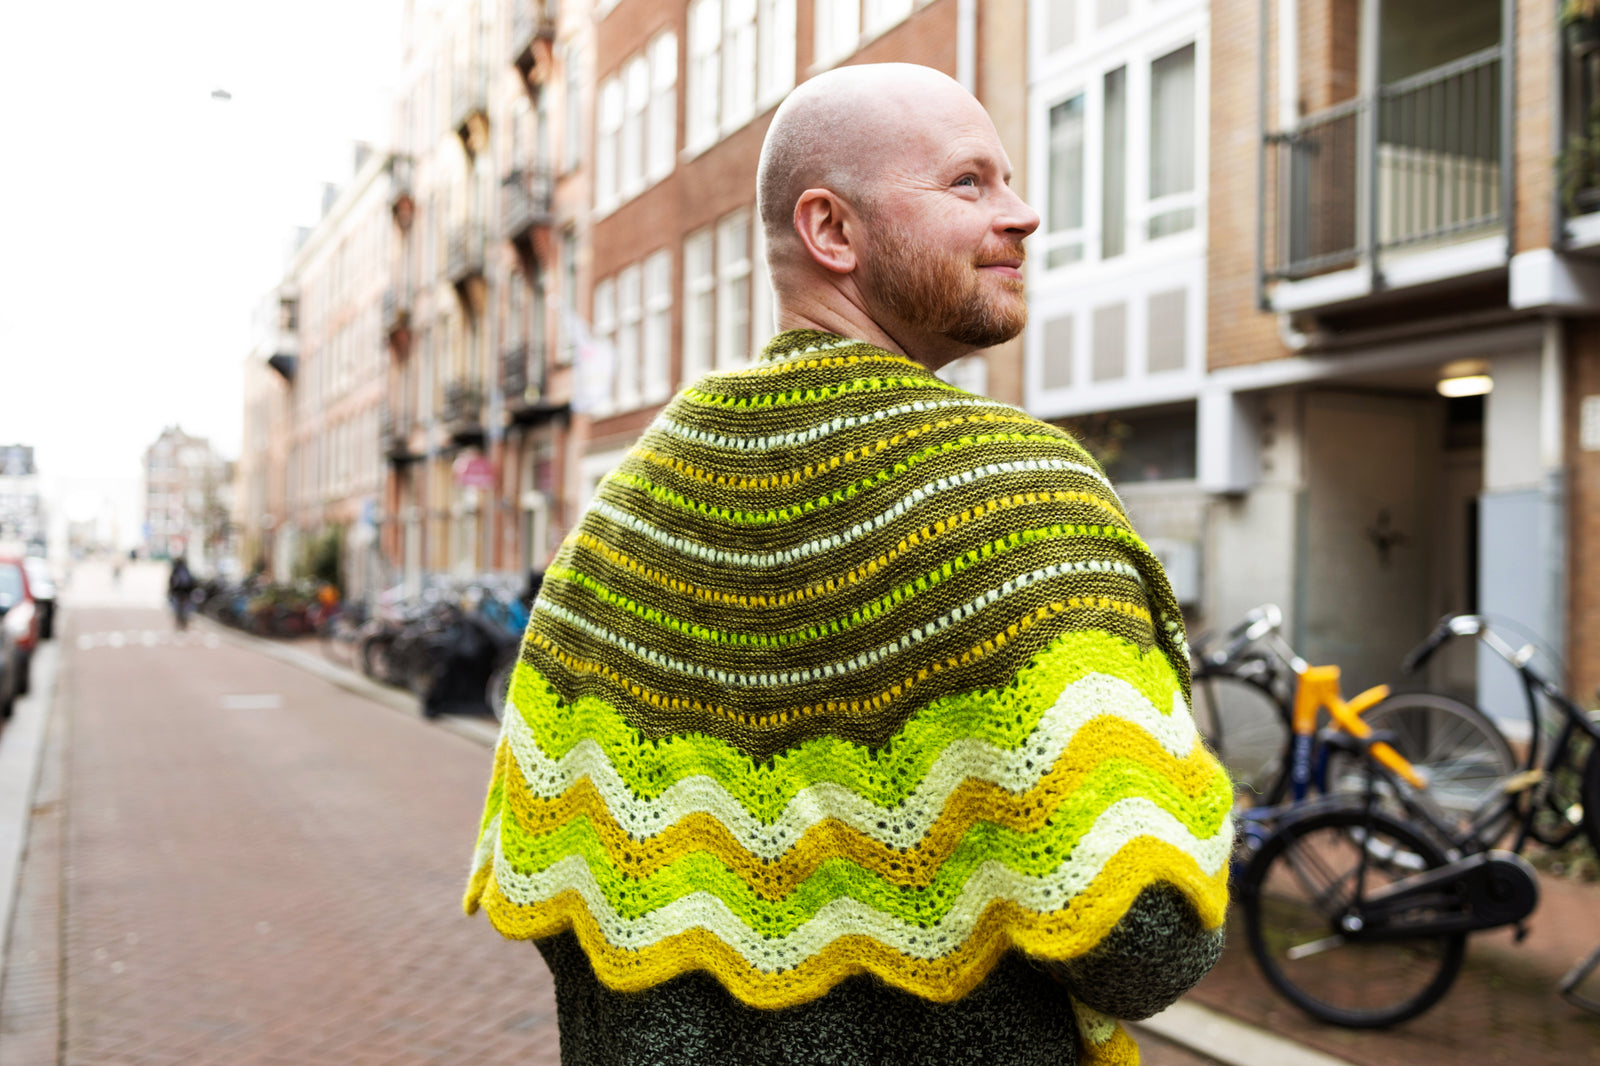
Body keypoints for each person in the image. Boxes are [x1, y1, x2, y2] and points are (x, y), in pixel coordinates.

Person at [464, 63, 1232, 1066]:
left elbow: (563, 898)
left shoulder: (620, 522)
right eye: (969, 184)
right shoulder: (1011, 496)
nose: (1025, 215)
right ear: (831, 231)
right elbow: (1144, 937)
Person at [168, 556, 197, 630]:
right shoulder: (181, 571)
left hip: (183, 593)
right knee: (180, 610)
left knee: (182, 610)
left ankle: (182, 624)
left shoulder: (179, 571)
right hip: (180, 593)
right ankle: (181, 624)